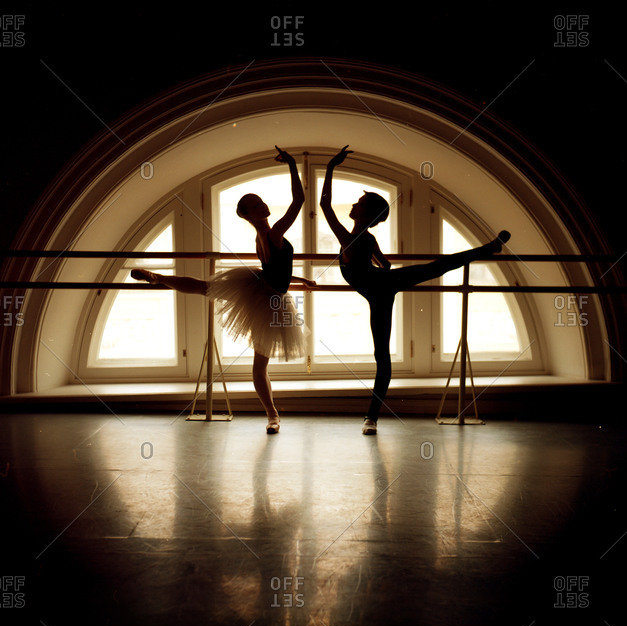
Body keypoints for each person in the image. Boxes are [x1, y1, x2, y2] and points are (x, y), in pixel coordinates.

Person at [320, 146, 511, 435]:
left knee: (437, 267)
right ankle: (370, 419)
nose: (354, 206)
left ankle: (489, 248)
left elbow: (324, 205)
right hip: (381, 290)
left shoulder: (352, 238)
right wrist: (379, 274)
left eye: (359, 203)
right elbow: (383, 264)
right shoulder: (364, 239)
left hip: (381, 289)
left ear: (367, 212)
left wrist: (332, 166)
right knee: (382, 354)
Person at [132, 146, 314, 434]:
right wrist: (292, 164)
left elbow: (275, 274)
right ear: (248, 214)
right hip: (267, 298)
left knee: (206, 289)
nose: (262, 204)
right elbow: (299, 200)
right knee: (258, 365)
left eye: (260, 201)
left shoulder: (263, 235)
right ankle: (272, 416)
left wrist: (300, 281)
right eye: (255, 204)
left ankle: (158, 277)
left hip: (264, 288)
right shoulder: (274, 233)